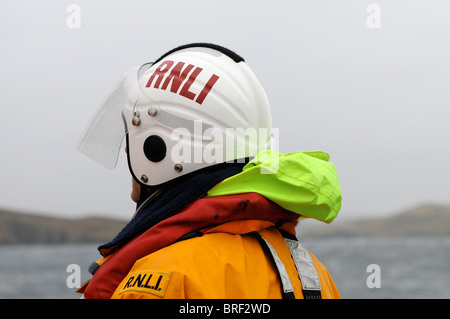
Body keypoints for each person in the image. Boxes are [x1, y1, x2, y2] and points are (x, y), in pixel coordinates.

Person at [76, 43, 342, 299]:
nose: (126, 152)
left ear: (158, 149)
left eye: (131, 139)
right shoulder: (314, 274)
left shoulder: (158, 281)